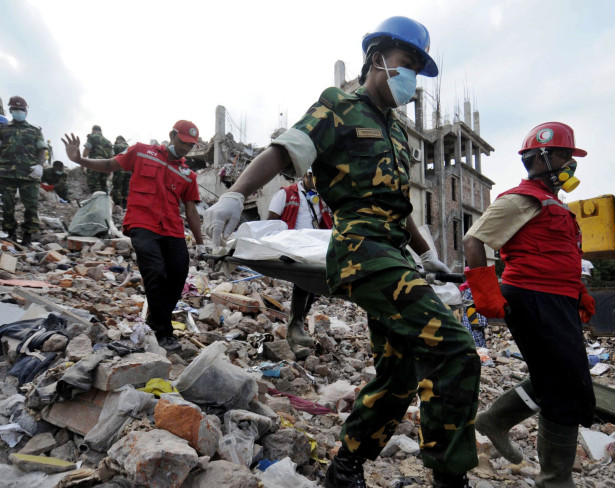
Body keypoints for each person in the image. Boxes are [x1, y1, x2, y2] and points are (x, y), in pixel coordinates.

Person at [204, 16, 479, 488]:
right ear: (378, 58)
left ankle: (345, 467)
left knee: (400, 369)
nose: (412, 78)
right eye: (406, 63)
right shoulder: (339, 106)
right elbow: (287, 149)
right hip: (360, 250)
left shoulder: (394, 132)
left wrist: (427, 251)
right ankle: (450, 479)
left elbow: (397, 205)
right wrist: (235, 193)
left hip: (394, 253)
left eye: (417, 67)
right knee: (456, 350)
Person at [462, 122, 597, 487]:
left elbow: (558, 256)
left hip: (555, 301)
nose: (571, 165)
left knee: (561, 380)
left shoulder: (553, 203)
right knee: (566, 389)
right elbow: (474, 241)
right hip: (532, 300)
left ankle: (495, 420)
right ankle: (555, 481)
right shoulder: (521, 199)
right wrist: (486, 290)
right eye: (564, 156)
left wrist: (575, 292)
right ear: (539, 157)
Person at [62, 120, 205, 352]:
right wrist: (79, 160)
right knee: (156, 271)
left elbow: (191, 210)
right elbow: (110, 164)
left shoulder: (188, 174)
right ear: (172, 135)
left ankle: (156, 319)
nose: (186, 149)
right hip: (143, 223)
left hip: (172, 228)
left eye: (191, 146)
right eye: (183, 143)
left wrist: (200, 245)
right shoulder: (142, 152)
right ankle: (163, 330)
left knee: (179, 273)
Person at [266, 168, 333, 358]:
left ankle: (294, 334)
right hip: (292, 247)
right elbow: (271, 222)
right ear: (306, 176)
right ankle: (296, 328)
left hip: (314, 248)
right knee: (304, 284)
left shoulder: (322, 197)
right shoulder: (285, 194)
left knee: (312, 287)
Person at [0, 96, 47, 246]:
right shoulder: (3, 129)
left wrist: (40, 166)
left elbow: (41, 150)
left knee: (31, 206)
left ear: (26, 111)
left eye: (21, 110)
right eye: (15, 109)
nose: (18, 112)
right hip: (6, 172)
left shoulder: (34, 131)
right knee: (6, 204)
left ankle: (28, 236)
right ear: (11, 111)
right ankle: (10, 233)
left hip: (29, 173)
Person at [83, 125, 113, 194]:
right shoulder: (108, 142)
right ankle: (103, 202)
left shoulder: (92, 137)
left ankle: (95, 201)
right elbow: (111, 157)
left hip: (94, 163)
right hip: (105, 165)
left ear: (93, 130)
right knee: (103, 185)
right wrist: (110, 170)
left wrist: (83, 164)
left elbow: (87, 149)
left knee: (92, 183)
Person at [111, 135, 131, 207]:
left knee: (117, 187)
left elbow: (112, 156)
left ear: (118, 140)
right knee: (126, 188)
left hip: (119, 169)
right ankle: (125, 206)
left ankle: (117, 205)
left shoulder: (116, 146)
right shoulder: (130, 147)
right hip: (129, 171)